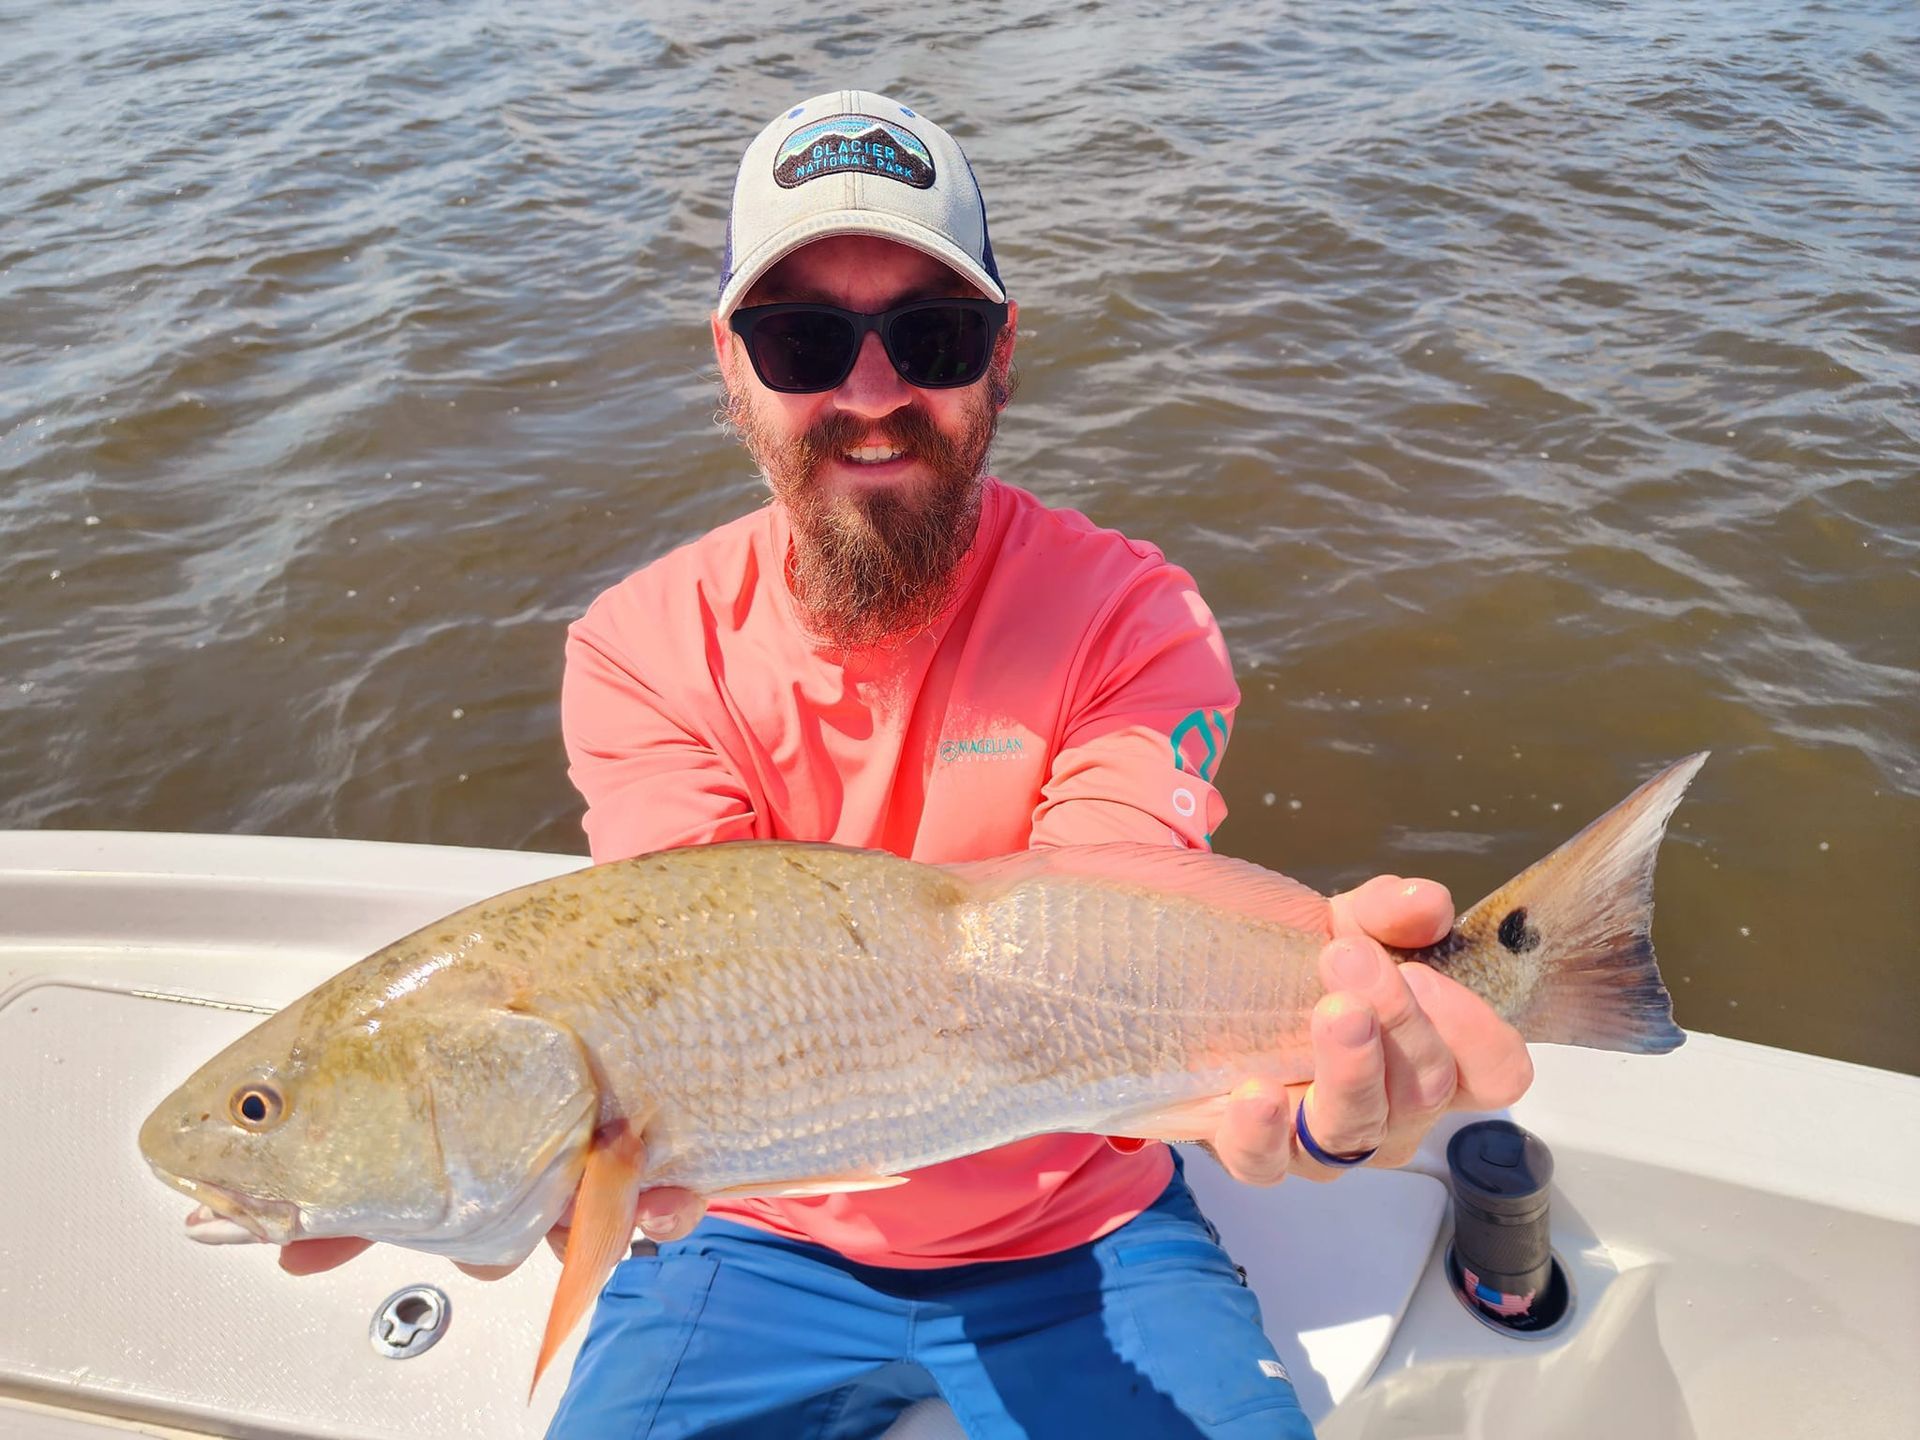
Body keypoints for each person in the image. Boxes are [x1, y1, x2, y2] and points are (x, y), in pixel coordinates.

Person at [284, 90, 1532, 1438]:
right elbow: (681, 986)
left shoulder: (1134, 616)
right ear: (729, 362)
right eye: (801, 337)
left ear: (1003, 354)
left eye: (929, 336)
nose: (871, 397)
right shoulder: (640, 648)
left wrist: (1317, 1094)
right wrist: (509, 1171)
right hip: (740, 1237)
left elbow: (1123, 927)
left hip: (1083, 1226)